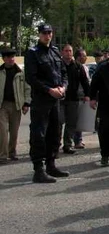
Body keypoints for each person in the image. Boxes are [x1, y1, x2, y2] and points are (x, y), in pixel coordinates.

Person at [24, 24, 69, 183]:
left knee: (55, 133)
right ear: (39, 34)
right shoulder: (32, 53)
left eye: (50, 32)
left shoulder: (55, 51)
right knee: (39, 134)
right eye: (44, 33)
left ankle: (51, 165)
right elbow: (31, 77)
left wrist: (63, 87)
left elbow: (64, 73)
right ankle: (39, 170)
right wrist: (49, 90)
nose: (47, 35)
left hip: (56, 99)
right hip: (42, 100)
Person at [0, 48, 30, 163]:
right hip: (2, 105)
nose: (11, 59)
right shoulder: (0, 71)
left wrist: (26, 103)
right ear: (4, 59)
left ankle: (12, 152)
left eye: (12, 57)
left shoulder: (20, 72)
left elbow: (27, 88)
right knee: (3, 131)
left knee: (14, 132)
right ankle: (2, 155)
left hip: (16, 105)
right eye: (8, 57)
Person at [59, 44, 90, 155]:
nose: (68, 53)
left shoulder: (77, 66)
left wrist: (88, 94)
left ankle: (67, 145)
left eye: (70, 51)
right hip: (60, 99)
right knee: (58, 121)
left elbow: (85, 82)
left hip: (73, 98)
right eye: (66, 51)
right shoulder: (57, 65)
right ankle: (55, 145)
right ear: (62, 52)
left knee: (71, 123)